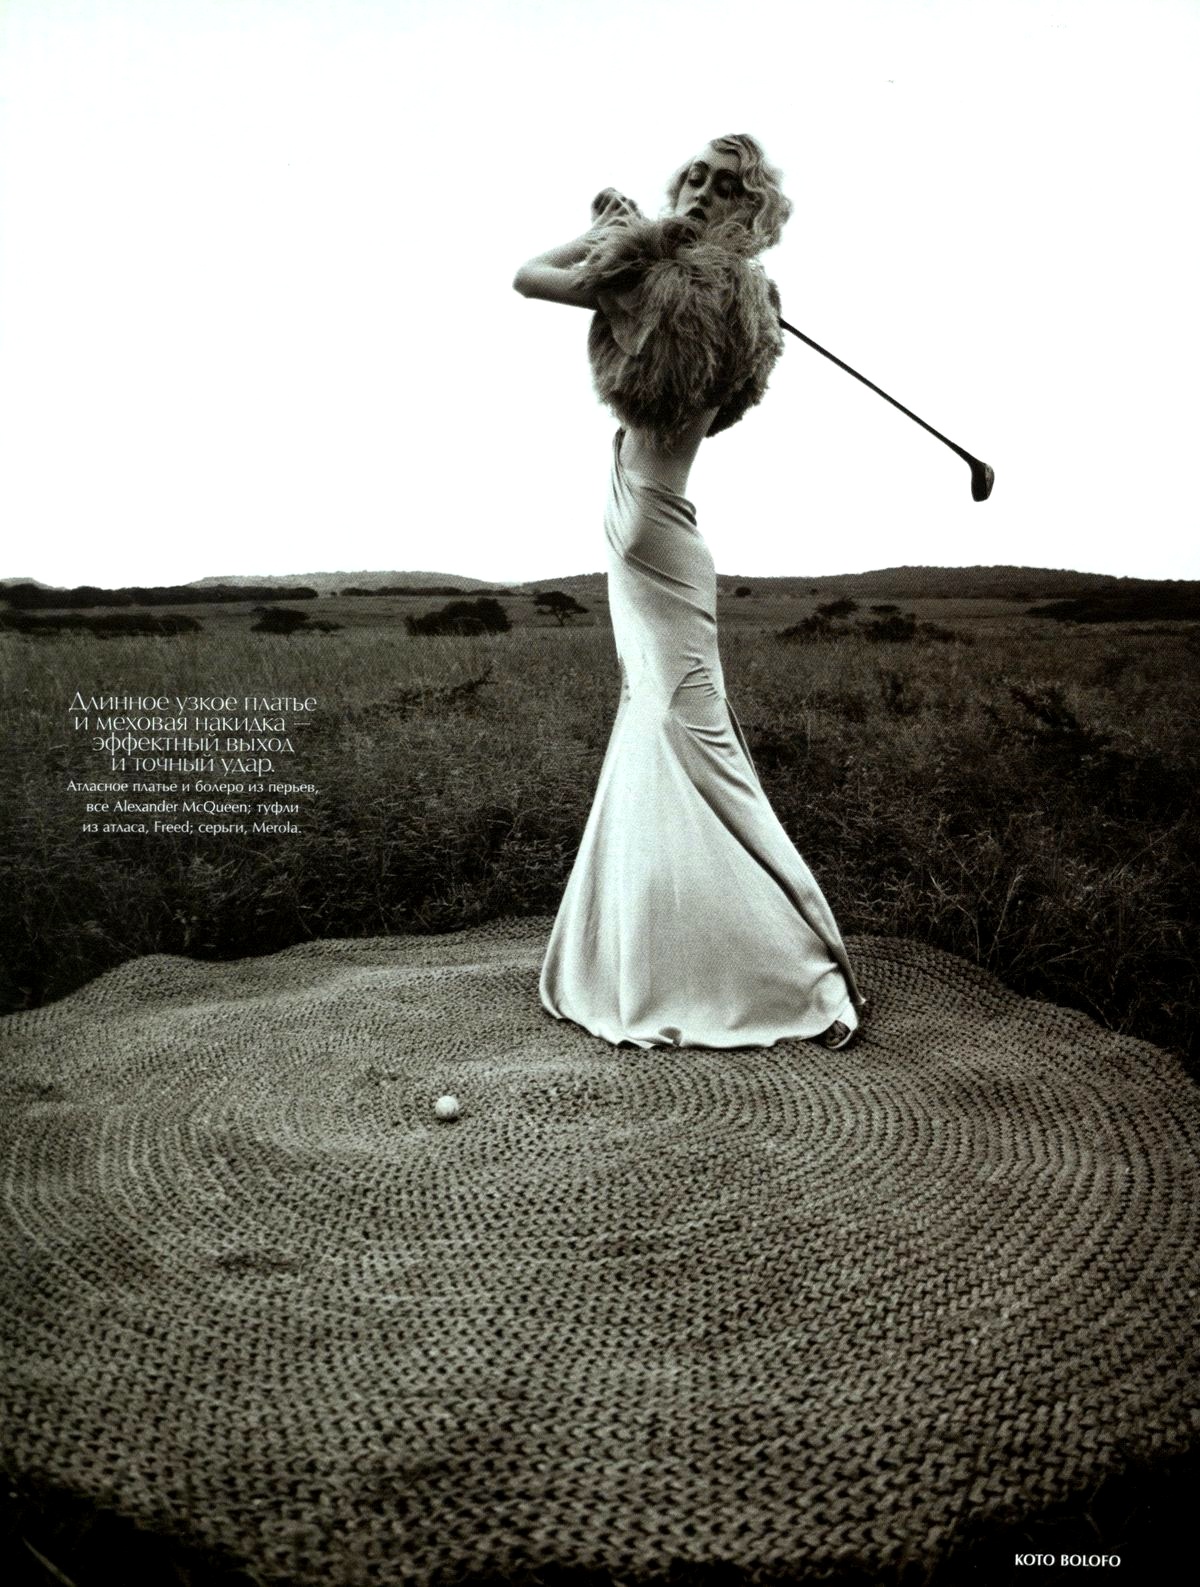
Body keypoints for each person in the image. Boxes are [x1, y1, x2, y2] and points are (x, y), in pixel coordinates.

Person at [514, 134, 866, 1051]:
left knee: (694, 740)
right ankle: (653, 955)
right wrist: (629, 237)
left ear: (751, 206)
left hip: (661, 535)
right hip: (634, 524)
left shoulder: (705, 292)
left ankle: (801, 960)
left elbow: (534, 275)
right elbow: (530, 280)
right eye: (695, 177)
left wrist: (616, 238)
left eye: (726, 185)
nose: (703, 190)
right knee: (653, 730)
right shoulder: (695, 284)